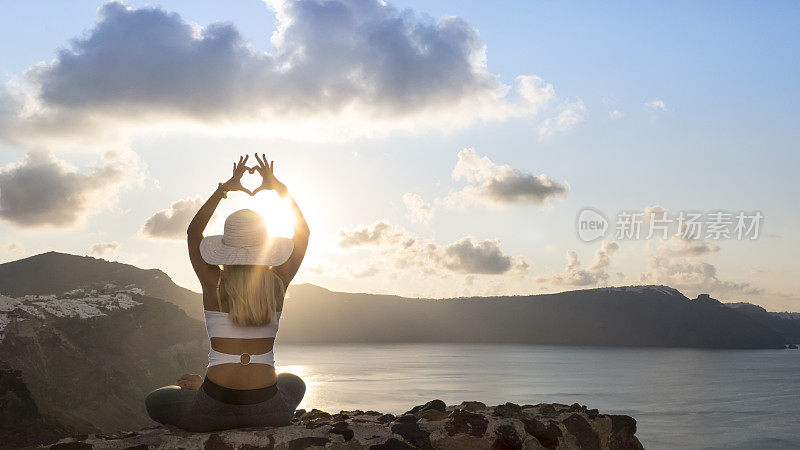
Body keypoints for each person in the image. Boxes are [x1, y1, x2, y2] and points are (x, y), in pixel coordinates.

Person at [144, 154, 310, 431]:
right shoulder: (278, 281)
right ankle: (212, 392)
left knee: (156, 399)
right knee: (293, 381)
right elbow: (303, 233)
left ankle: (202, 389)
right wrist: (278, 187)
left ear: (225, 247)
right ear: (266, 245)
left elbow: (193, 233)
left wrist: (224, 189)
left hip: (211, 410)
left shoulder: (213, 282)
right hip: (268, 410)